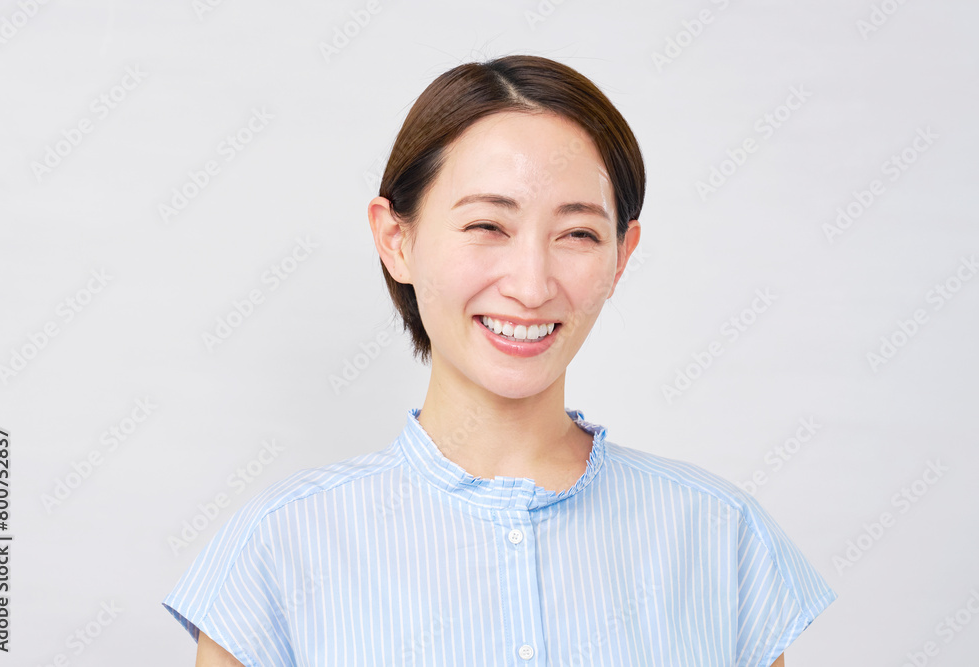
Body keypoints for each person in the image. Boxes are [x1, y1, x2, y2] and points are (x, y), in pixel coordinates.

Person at [163, 54, 836, 666]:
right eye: (488, 225)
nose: (532, 284)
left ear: (621, 257)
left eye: (578, 233)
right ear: (396, 239)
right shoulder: (279, 548)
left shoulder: (720, 536)